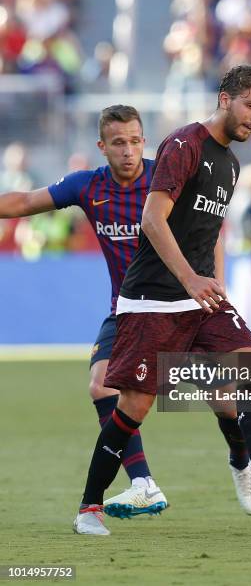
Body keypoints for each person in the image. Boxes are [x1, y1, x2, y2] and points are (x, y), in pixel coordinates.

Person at [74, 65, 251, 536]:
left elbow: (210, 231)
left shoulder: (230, 162)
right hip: (152, 298)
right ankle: (89, 506)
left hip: (200, 296)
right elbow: (153, 220)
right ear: (225, 99)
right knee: (133, 406)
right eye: (250, 105)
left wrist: (215, 282)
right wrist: (191, 278)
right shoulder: (183, 144)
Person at [0, 105, 168, 517]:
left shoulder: (165, 181)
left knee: (229, 395)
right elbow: (22, 201)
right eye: (118, 143)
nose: (128, 151)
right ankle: (143, 483)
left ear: (143, 141)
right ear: (102, 146)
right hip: (126, 310)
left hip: (174, 307)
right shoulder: (88, 187)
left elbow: (210, 226)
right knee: (102, 385)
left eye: (135, 141)